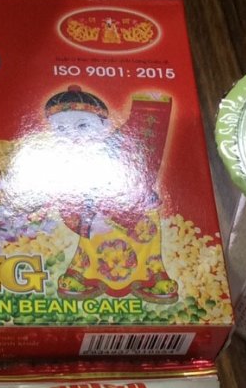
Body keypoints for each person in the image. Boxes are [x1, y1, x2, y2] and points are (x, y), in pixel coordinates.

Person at [46, 85, 179, 303]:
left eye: (82, 125)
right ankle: (81, 275)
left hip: (136, 212)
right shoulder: (60, 162)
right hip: (93, 221)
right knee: (90, 251)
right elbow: (65, 198)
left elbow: (142, 132)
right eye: (60, 129)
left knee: (147, 245)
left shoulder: (118, 146)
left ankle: (154, 276)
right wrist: (88, 221)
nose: (72, 136)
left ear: (104, 126)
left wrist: (150, 105)